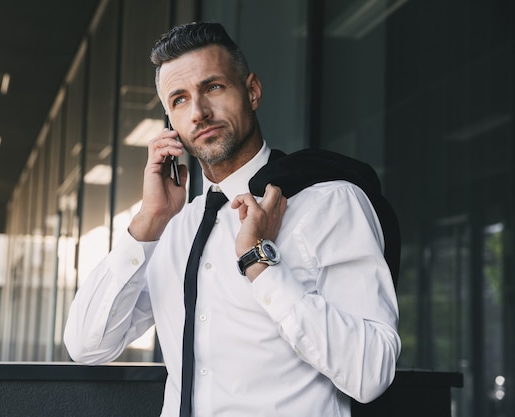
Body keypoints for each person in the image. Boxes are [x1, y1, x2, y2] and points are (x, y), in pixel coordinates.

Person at [64, 21, 400, 417]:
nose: (200, 112)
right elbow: (88, 344)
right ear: (170, 123)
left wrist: (261, 263)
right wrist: (149, 221)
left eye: (213, 87)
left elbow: (371, 372)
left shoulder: (330, 203)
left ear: (252, 91)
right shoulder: (175, 228)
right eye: (180, 99)